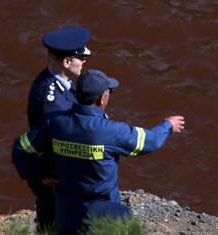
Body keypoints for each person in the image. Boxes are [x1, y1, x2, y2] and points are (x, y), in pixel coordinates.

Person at [13, 69, 185, 234]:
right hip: (102, 216)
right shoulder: (112, 131)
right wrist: (168, 126)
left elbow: (20, 149)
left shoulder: (54, 123)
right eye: (109, 92)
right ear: (103, 98)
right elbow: (150, 141)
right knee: (127, 221)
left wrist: (39, 175)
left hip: (66, 214)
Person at [25, 25, 91, 231]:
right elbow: (53, 142)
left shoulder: (59, 81)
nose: (84, 62)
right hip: (54, 175)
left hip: (58, 171)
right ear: (67, 62)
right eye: (82, 58)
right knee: (56, 222)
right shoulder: (52, 102)